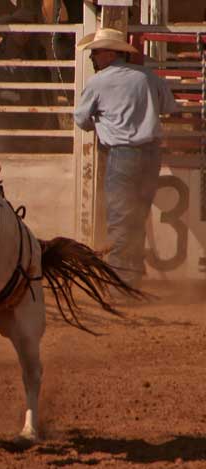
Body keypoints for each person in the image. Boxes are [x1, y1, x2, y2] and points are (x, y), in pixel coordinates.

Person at [74, 28, 179, 288]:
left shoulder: (99, 82)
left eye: (96, 52)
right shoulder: (148, 76)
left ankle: (122, 282)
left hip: (123, 154)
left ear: (110, 53)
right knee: (137, 215)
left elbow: (81, 119)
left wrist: (99, 123)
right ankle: (131, 274)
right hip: (151, 154)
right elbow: (170, 108)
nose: (93, 58)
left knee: (121, 218)